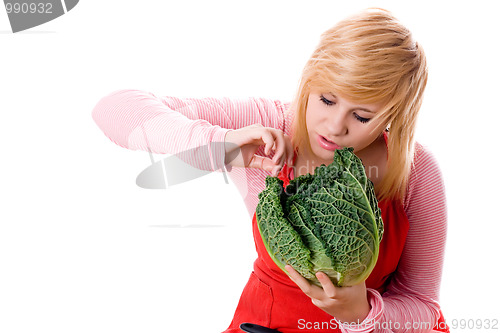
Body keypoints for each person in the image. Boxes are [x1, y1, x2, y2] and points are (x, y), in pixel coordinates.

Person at [92, 8, 449, 333]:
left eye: (362, 116)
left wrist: (362, 313)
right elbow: (114, 109)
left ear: (395, 117)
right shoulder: (266, 125)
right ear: (311, 79)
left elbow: (423, 306)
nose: (335, 126)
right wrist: (221, 143)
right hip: (270, 323)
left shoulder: (416, 171)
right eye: (327, 99)